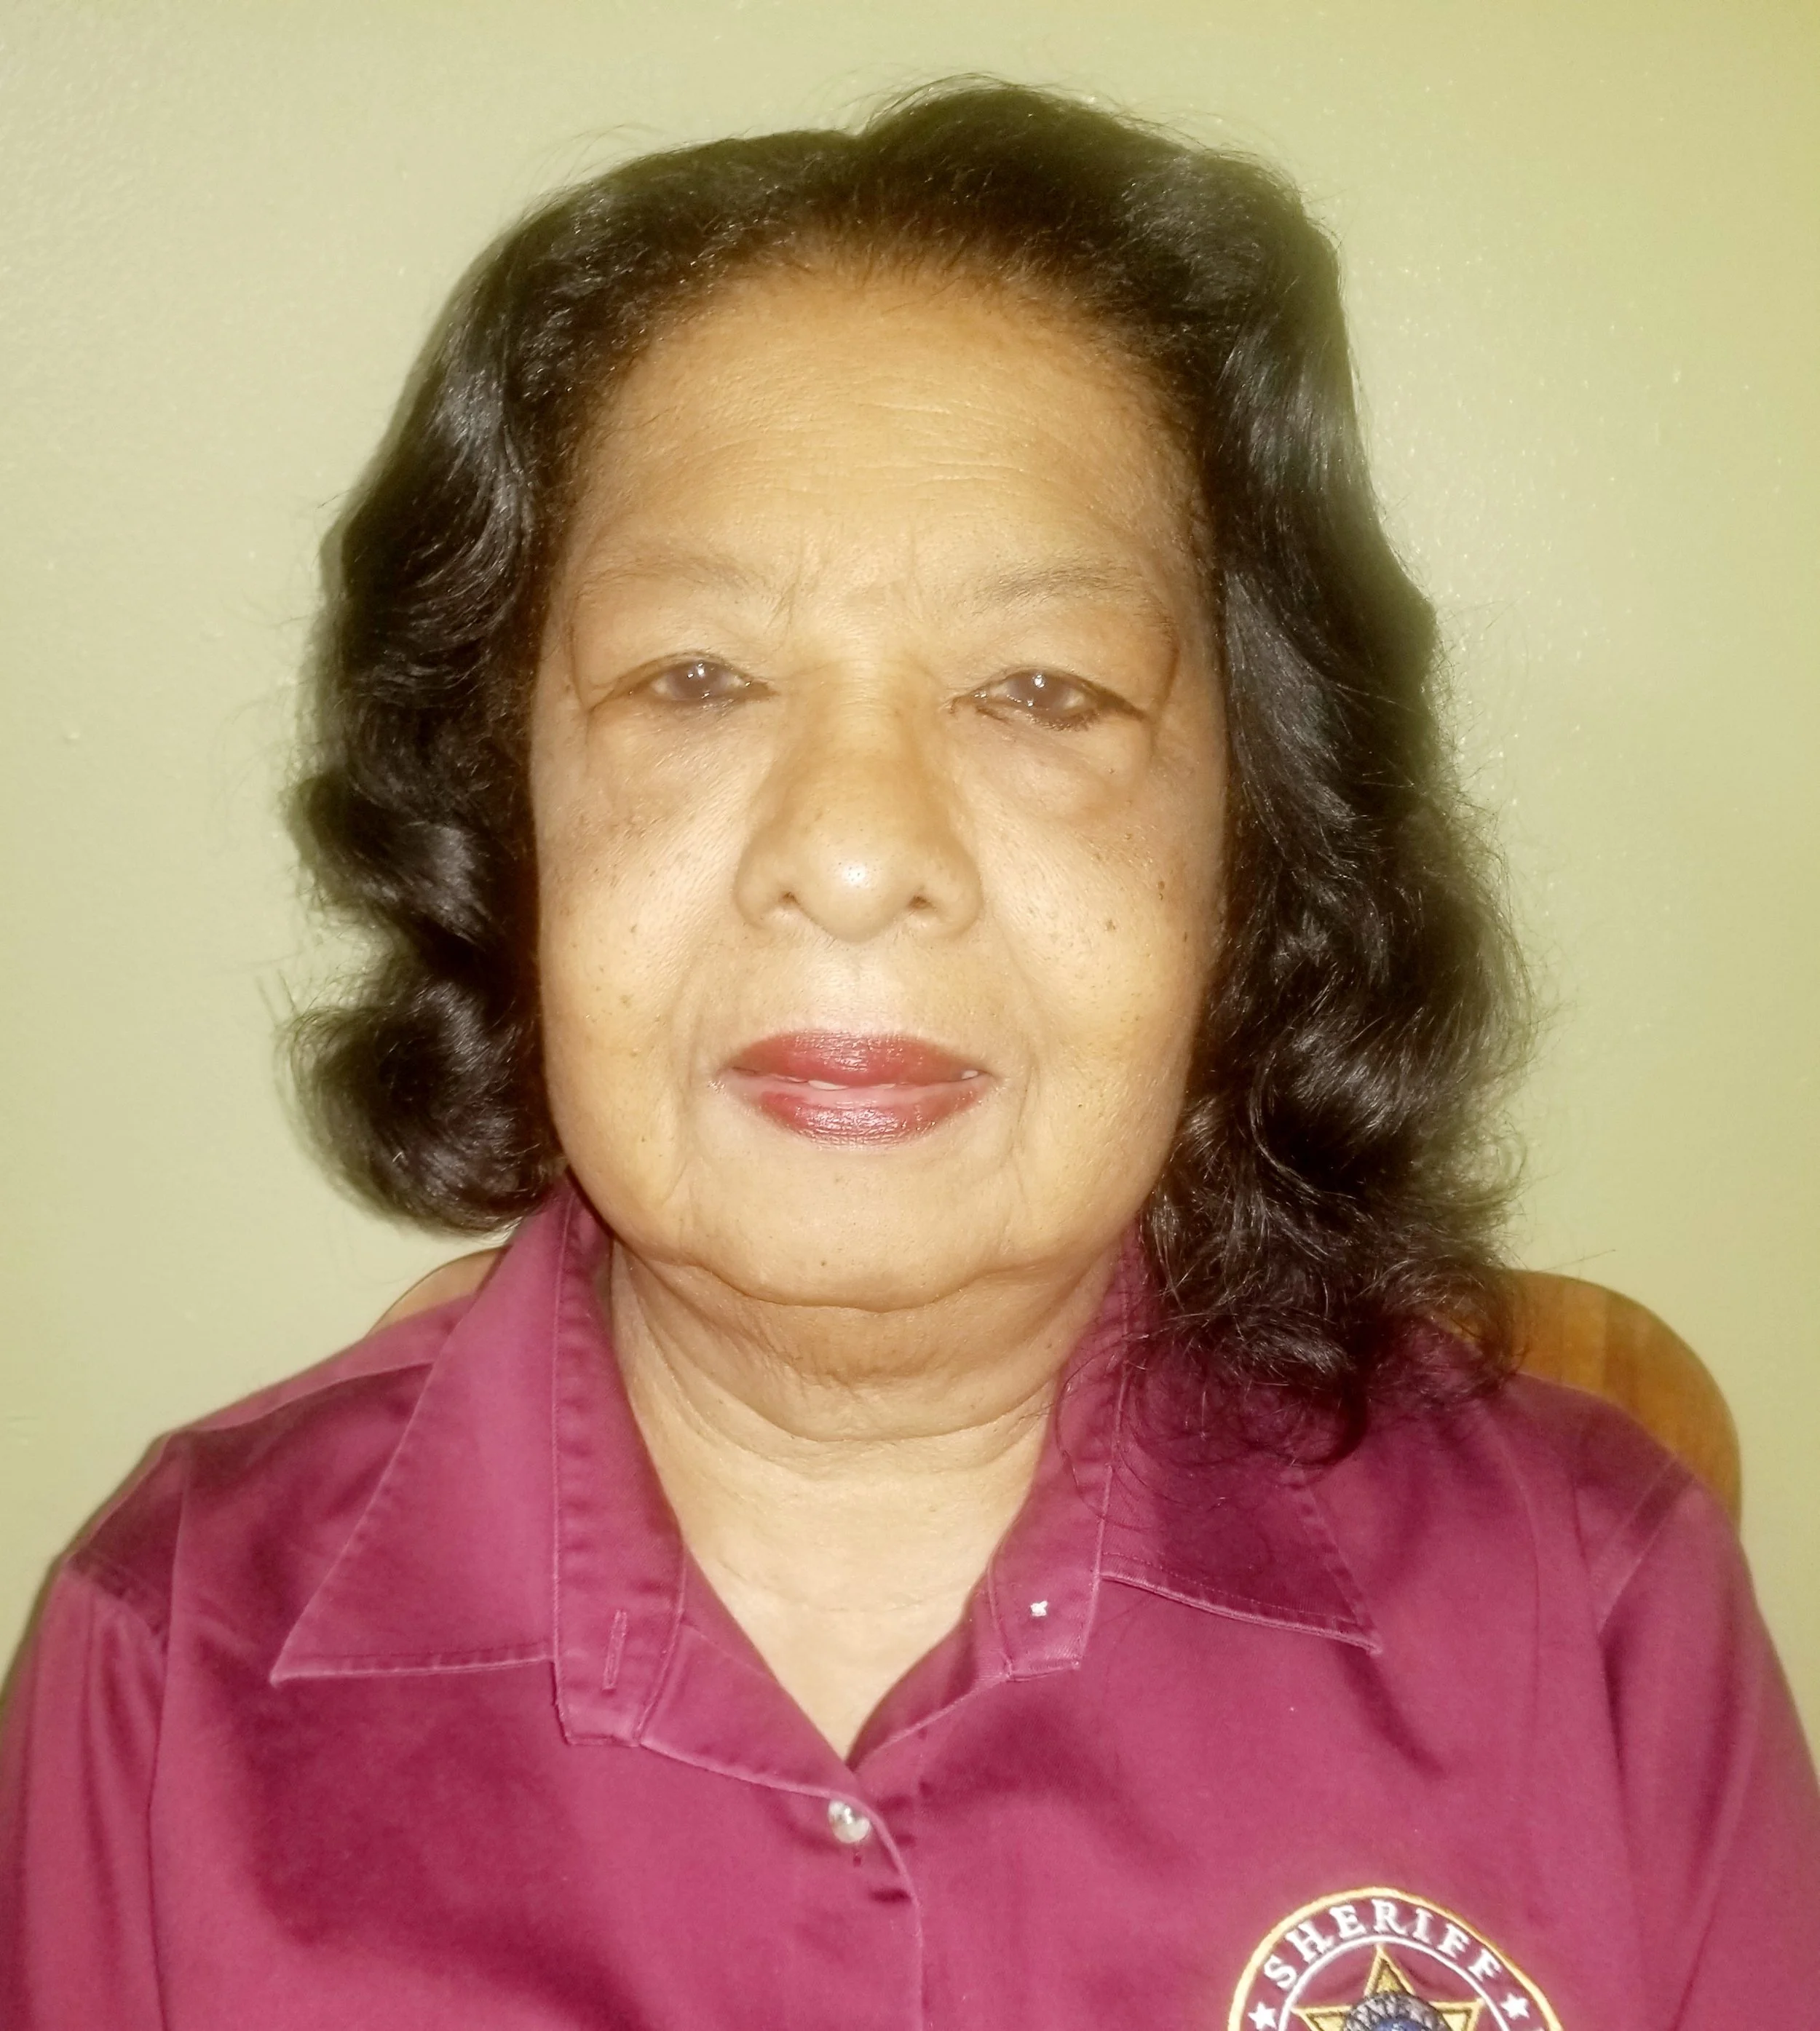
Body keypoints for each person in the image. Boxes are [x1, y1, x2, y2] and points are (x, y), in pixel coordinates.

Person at [2, 81, 1815, 2030]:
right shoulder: (170, 1648)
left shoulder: (1592, 1603)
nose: (853, 855)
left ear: (1252, 842)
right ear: (504, 803)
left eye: (1042, 690)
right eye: (690, 678)